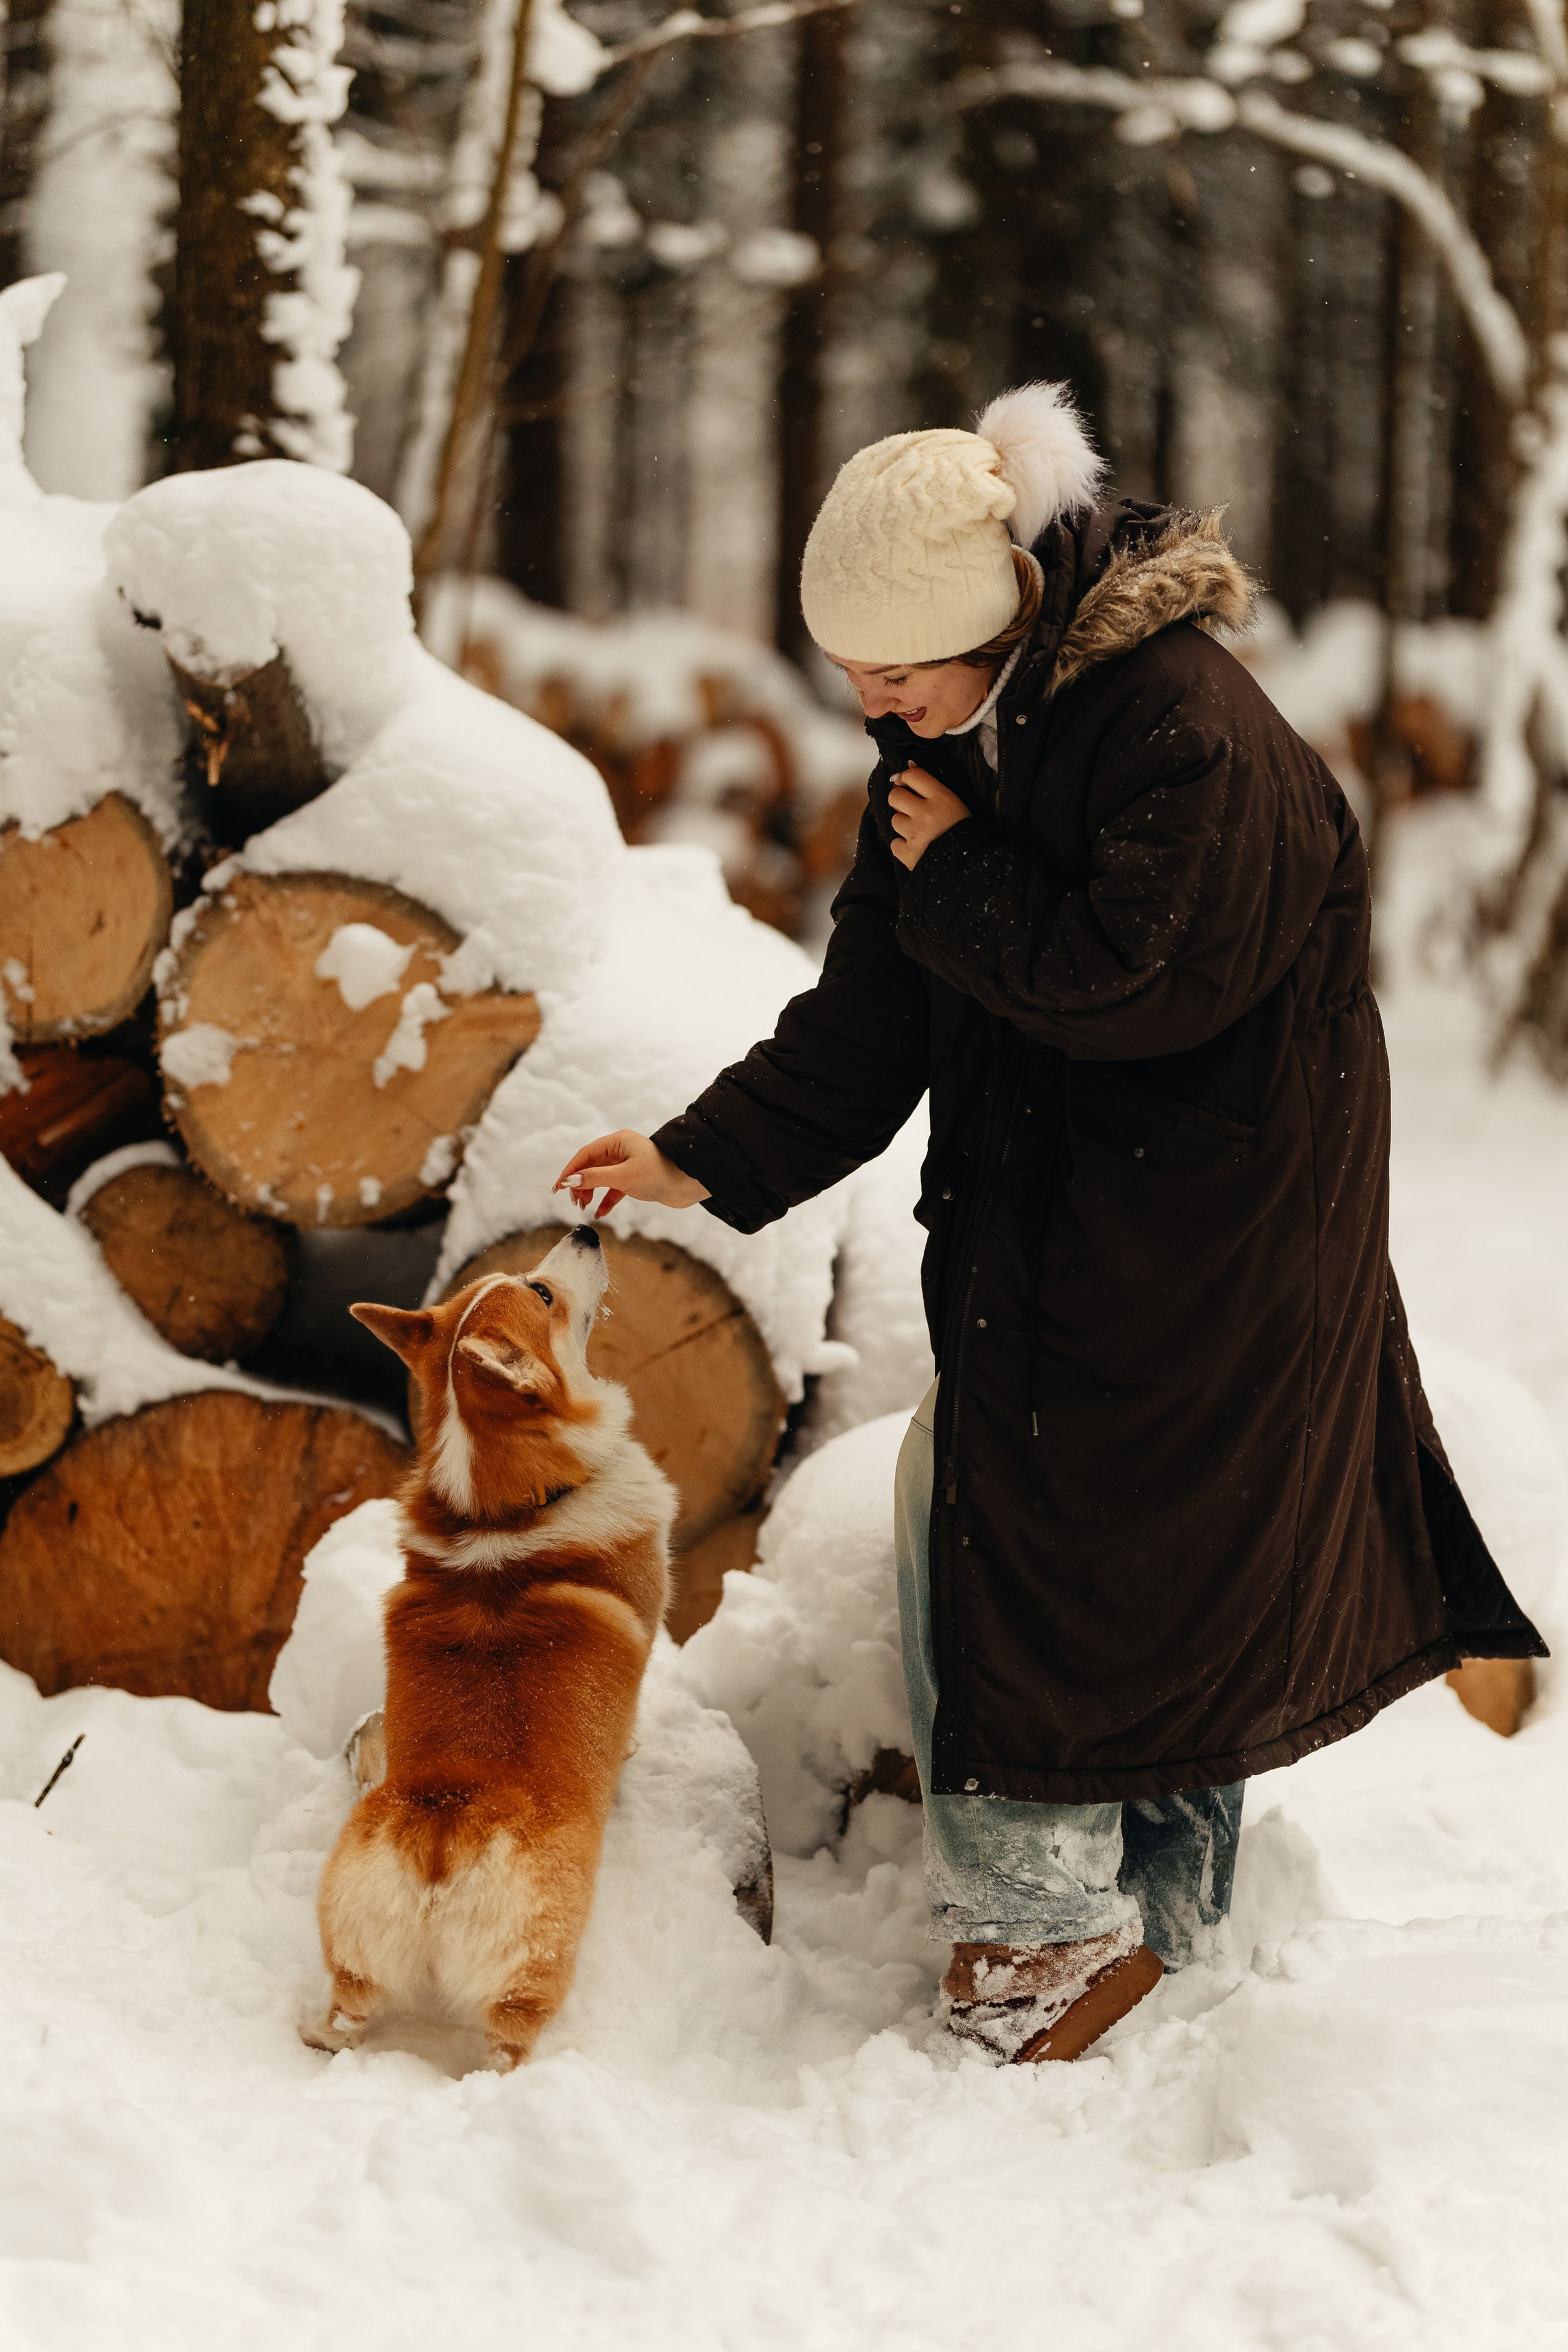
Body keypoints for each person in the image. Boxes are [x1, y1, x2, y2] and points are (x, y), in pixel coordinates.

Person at [556, 383, 1544, 2064]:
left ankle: (1048, 1939)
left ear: (1002, 610)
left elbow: (1128, 983)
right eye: (850, 673)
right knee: (1069, 1535)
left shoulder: (1186, 730)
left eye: (897, 670)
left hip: (1215, 1237)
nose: (872, 705)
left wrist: (960, 879)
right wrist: (694, 1155)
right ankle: (1140, 1909)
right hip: (1068, 1222)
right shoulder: (949, 737)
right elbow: (873, 1017)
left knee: (1076, 1544)